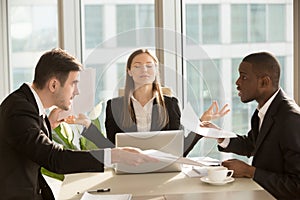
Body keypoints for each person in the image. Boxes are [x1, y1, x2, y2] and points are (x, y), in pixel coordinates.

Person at [0, 48, 157, 200]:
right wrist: (115, 155)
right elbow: (55, 158)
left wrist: (48, 124)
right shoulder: (19, 110)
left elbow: (28, 143)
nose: (77, 92)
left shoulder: (25, 105)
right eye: (73, 83)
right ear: (54, 85)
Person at [204, 52, 300, 199]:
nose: (237, 82)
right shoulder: (263, 111)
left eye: (244, 77)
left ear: (264, 82)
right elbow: (253, 144)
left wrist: (249, 171)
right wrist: (219, 134)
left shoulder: (290, 119)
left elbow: (297, 185)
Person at [103, 48, 229, 156]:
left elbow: (180, 150)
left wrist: (200, 124)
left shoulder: (170, 104)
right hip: (128, 170)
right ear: (129, 71)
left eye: (149, 65)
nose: (144, 70)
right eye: (137, 66)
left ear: (156, 70)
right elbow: (112, 149)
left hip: (164, 170)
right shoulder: (114, 106)